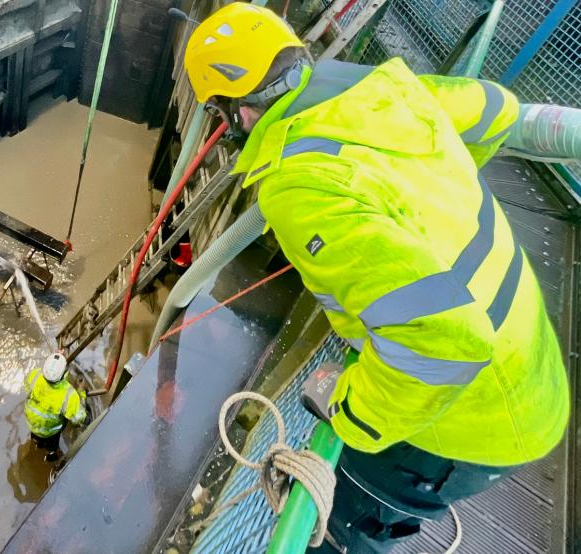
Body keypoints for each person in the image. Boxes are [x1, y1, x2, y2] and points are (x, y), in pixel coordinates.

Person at [183, 4, 570, 552]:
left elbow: (442, 346)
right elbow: (496, 110)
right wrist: (433, 200)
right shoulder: (389, 90)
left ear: (235, 111)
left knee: (346, 524)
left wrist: (349, 414)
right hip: (531, 366)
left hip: (473, 418)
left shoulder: (297, 184)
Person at [24, 353, 88, 462]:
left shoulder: (34, 375)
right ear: (65, 374)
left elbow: (26, 386)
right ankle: (51, 455)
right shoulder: (68, 395)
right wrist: (82, 393)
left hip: (32, 424)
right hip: (50, 432)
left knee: (36, 438)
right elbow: (80, 419)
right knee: (51, 446)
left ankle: (36, 443)